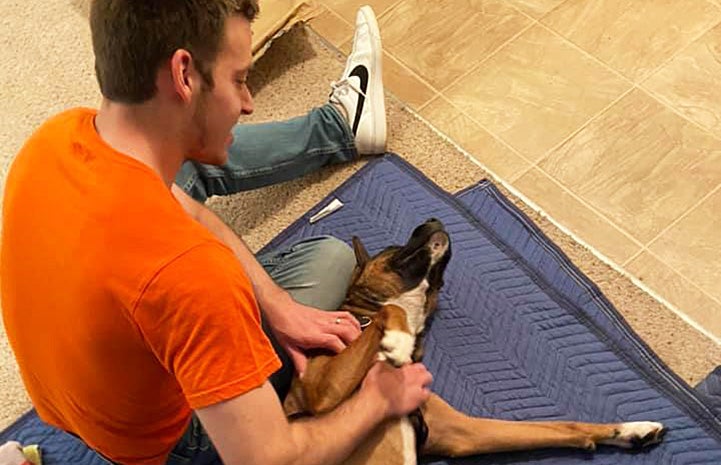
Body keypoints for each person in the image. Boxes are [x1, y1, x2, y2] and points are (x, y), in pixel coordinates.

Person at [0, 2, 432, 465]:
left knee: (217, 188)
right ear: (183, 74)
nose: (248, 103)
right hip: (167, 445)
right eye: (240, 79)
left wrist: (277, 306)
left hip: (76, 401)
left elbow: (189, 212)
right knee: (331, 260)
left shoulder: (56, 136)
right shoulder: (195, 277)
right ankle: (340, 126)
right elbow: (269, 459)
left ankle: (342, 125)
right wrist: (378, 402)